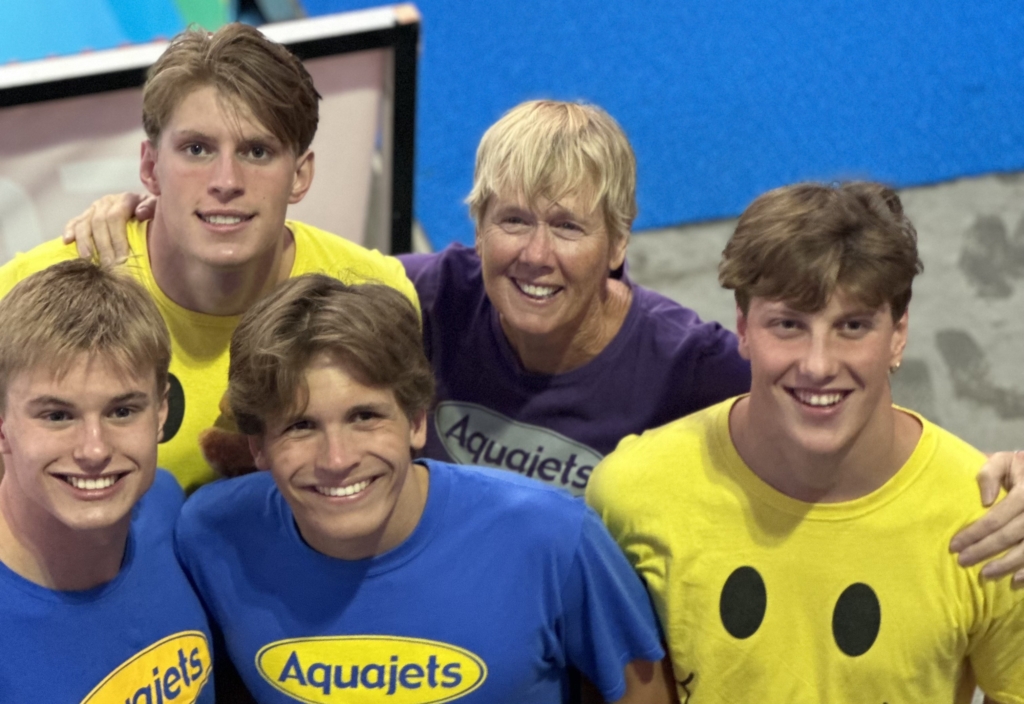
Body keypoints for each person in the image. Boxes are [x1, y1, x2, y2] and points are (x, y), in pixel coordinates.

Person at [587, 182, 1024, 703]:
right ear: (744, 330)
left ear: (899, 334)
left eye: (853, 325)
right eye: (788, 325)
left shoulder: (993, 529)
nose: (818, 365)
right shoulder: (631, 495)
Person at [175, 274, 676, 703]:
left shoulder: (553, 538)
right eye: (301, 427)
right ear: (258, 448)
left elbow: (644, 692)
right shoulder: (211, 534)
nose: (337, 460)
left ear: (416, 421)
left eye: (365, 416)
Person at [0, 23, 418, 493]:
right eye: (196, 149)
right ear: (149, 166)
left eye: (257, 151)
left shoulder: (371, 294)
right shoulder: (22, 297)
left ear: (300, 176)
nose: (226, 181)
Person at [0, 260, 214, 702]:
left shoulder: (165, 506)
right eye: (57, 416)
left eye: (122, 411)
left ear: (160, 412)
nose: (94, 450)